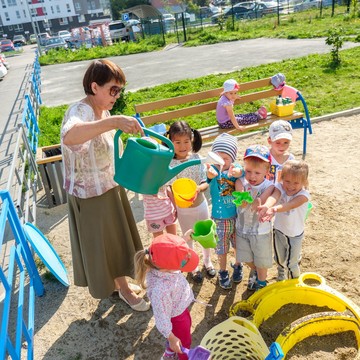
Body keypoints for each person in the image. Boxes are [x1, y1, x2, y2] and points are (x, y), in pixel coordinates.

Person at [61, 59, 150, 311]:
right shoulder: (80, 110)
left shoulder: (103, 110)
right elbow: (70, 136)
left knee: (115, 241)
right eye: (113, 89)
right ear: (94, 86)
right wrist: (113, 122)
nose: (116, 95)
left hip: (109, 187)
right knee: (107, 245)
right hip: (91, 195)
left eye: (119, 90)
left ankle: (118, 284)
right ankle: (123, 290)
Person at [134, 233, 199, 360]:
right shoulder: (161, 291)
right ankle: (182, 356)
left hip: (179, 307)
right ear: (167, 268)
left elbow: (168, 251)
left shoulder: (158, 262)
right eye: (182, 263)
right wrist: (171, 337)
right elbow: (162, 318)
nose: (185, 262)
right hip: (177, 318)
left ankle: (169, 352)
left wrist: (183, 240)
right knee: (182, 343)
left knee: (178, 339)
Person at [167, 121, 216, 283]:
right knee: (189, 237)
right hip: (183, 209)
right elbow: (171, 189)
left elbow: (205, 182)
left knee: (205, 235)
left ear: (192, 140)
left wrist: (198, 189)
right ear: (170, 142)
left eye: (186, 142)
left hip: (200, 204)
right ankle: (192, 265)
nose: (183, 146)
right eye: (178, 142)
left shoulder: (197, 158)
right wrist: (174, 206)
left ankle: (207, 261)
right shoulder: (170, 164)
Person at [258, 160, 310, 281]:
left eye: (296, 183)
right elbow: (274, 196)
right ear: (282, 178)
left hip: (295, 235)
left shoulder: (304, 195)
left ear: (304, 182)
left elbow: (291, 205)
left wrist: (274, 209)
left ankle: (294, 281)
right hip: (279, 230)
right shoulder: (280, 187)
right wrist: (267, 206)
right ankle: (281, 276)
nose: (290, 186)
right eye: (287, 181)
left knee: (292, 263)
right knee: (279, 258)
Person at [206, 133, 244, 289]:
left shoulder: (234, 170)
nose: (221, 161)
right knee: (221, 248)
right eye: (218, 157)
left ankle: (238, 265)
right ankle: (222, 271)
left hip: (236, 217)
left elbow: (242, 171)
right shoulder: (212, 170)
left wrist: (238, 172)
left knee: (238, 245)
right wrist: (210, 174)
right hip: (219, 219)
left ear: (233, 159)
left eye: (226, 158)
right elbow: (207, 176)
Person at [235, 145, 274, 291]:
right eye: (248, 171)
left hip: (261, 232)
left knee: (262, 261)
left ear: (267, 170)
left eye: (257, 173)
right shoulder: (241, 182)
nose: (252, 176)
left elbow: (261, 201)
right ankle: (256, 271)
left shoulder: (269, 186)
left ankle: (262, 283)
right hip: (242, 229)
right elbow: (239, 192)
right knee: (246, 258)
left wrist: (255, 202)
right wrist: (242, 197)